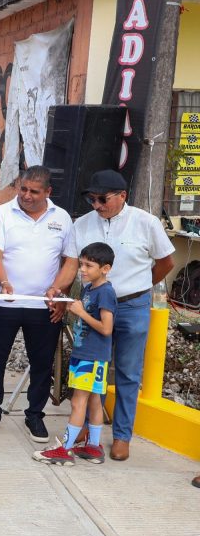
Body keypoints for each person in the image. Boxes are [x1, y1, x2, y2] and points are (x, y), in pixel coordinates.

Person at [54, 170, 175, 461]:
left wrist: (139, 287)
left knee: (127, 372)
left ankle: (122, 436)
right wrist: (58, 291)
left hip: (132, 306)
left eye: (102, 199)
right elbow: (72, 265)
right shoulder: (81, 224)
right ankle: (85, 428)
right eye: (91, 198)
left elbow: (165, 263)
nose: (96, 204)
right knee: (90, 368)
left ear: (123, 196)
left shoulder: (146, 223)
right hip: (92, 307)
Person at [0, 167, 75, 442]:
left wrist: (59, 292)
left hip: (43, 308)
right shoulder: (1, 214)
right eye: (23, 189)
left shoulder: (62, 218)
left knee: (42, 364)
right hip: (1, 303)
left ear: (48, 192)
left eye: (34, 191)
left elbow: (71, 260)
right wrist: (4, 281)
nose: (27, 196)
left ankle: (35, 415)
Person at [34, 242, 117, 466]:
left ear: (105, 268)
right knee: (94, 402)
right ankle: (93, 447)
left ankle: (66, 449)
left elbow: (106, 328)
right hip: (88, 353)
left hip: (92, 356)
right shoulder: (90, 288)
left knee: (78, 402)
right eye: (81, 264)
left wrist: (80, 312)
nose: (82, 270)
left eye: (89, 266)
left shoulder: (106, 292)